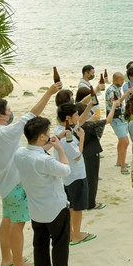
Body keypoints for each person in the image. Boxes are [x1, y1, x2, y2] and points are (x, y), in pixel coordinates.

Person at [0, 83, 61, 266]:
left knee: (7, 220)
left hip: (4, 184)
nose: (11, 113)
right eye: (8, 111)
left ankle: (7, 259)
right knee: (17, 225)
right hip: (15, 186)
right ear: (1, 116)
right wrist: (49, 92)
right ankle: (18, 265)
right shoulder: (5, 133)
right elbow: (32, 114)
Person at [13, 117, 79, 266]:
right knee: (59, 242)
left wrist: (54, 140)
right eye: (48, 133)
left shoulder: (20, 153)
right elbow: (65, 169)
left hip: (35, 207)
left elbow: (38, 153)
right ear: (42, 137)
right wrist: (59, 148)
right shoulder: (43, 160)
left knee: (39, 242)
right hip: (55, 206)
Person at [55, 103, 94, 245]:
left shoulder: (59, 130)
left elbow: (79, 121)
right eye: (75, 115)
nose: (78, 118)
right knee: (77, 207)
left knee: (71, 206)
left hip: (67, 176)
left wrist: (89, 106)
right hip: (75, 175)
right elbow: (77, 155)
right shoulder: (66, 137)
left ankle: (72, 233)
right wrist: (82, 138)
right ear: (67, 117)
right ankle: (76, 234)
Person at [76, 87, 112, 210]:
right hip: (92, 153)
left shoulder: (74, 126)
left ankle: (85, 200)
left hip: (83, 154)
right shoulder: (89, 125)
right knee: (92, 179)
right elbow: (108, 120)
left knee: (85, 178)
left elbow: (84, 120)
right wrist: (113, 107)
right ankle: (91, 203)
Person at [104, 72, 133, 174]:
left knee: (121, 141)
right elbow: (116, 103)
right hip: (115, 119)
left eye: (123, 79)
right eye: (121, 80)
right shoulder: (111, 90)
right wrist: (126, 94)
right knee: (125, 141)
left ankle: (119, 161)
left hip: (120, 118)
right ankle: (123, 166)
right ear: (115, 80)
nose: (122, 82)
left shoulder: (117, 89)